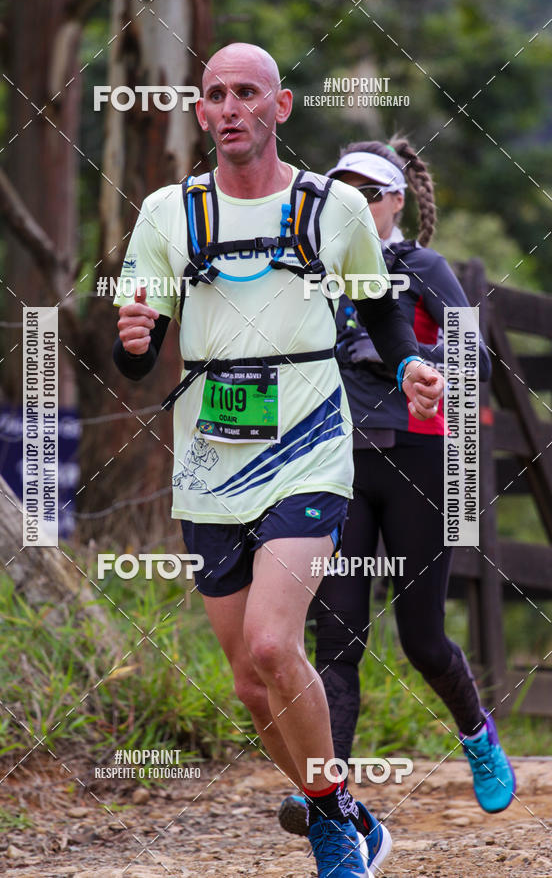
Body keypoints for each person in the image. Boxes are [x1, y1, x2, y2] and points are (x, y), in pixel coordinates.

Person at [112, 45, 444, 878]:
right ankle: (348, 810)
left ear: (280, 106)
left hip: (309, 448)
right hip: (209, 462)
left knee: (271, 643)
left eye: (246, 93)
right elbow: (136, 355)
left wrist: (409, 365)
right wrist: (135, 339)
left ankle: (329, 833)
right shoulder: (167, 214)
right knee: (250, 684)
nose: (230, 107)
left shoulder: (335, 209)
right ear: (201, 111)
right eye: (215, 94)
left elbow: (381, 311)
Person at [278, 138, 515, 843]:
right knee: (336, 637)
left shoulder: (423, 267)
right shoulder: (315, 270)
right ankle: (331, 803)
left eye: (366, 193)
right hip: (335, 464)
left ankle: (476, 733)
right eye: (341, 191)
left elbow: (476, 360)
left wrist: (402, 358)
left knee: (423, 639)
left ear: (394, 202)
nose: (352, 204)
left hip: (420, 459)